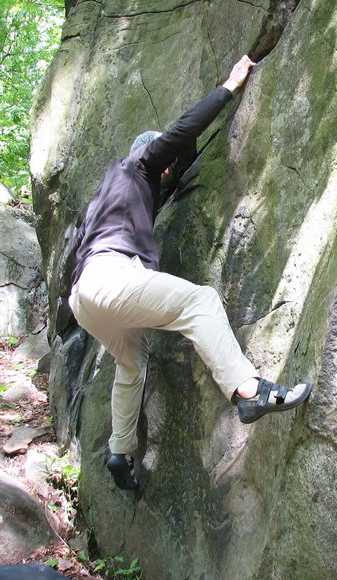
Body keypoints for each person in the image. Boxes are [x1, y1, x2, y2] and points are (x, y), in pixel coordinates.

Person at [68, 56, 312, 490]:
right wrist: (230, 86)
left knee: (131, 362)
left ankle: (120, 453)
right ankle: (249, 390)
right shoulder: (137, 165)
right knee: (199, 301)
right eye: (167, 164)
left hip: (86, 298)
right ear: (151, 154)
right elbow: (183, 131)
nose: (166, 172)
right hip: (110, 279)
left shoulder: (105, 197)